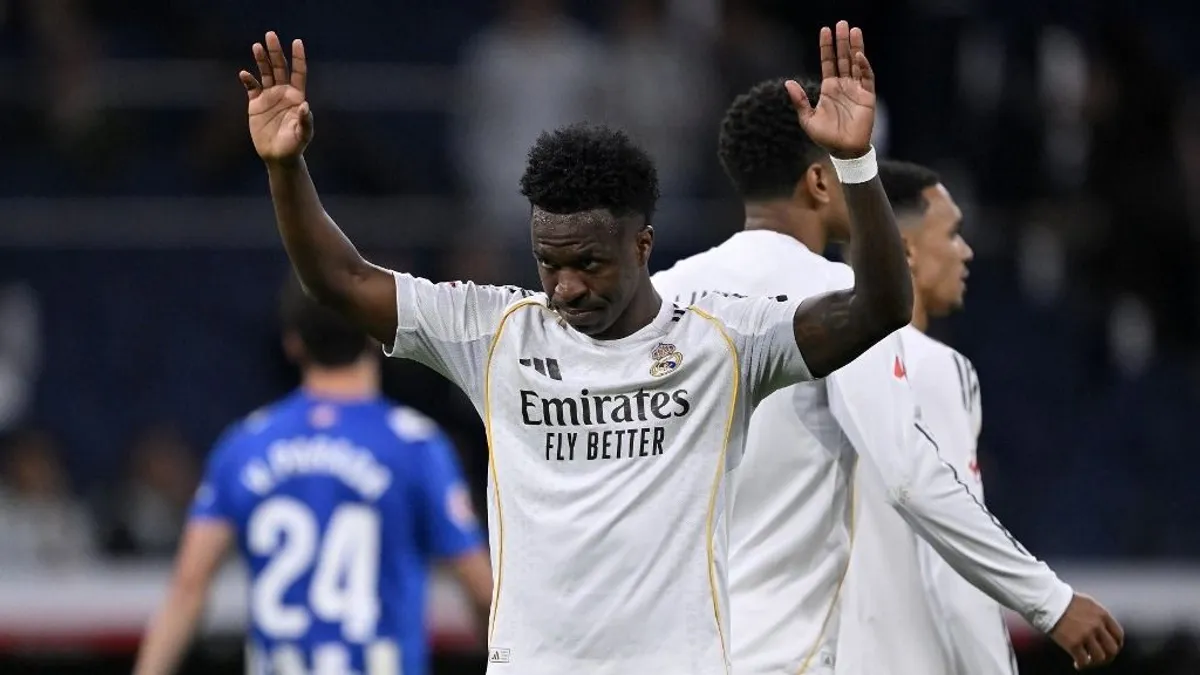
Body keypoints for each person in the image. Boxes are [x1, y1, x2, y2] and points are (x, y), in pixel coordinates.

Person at [238, 22, 911, 675]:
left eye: (588, 263)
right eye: (548, 262)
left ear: (642, 245)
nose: (565, 287)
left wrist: (856, 165)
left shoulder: (723, 341)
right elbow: (342, 280)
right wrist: (285, 167)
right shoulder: (495, 333)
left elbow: (879, 308)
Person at [651, 78, 1123, 674]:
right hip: (784, 655)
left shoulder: (663, 296)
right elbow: (908, 476)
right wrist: (1049, 601)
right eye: (856, 172)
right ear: (820, 182)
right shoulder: (840, 301)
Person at [132, 279, 493, 675]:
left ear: (292, 343)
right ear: (375, 335)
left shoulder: (245, 445)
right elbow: (480, 590)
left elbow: (188, 589)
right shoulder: (415, 446)